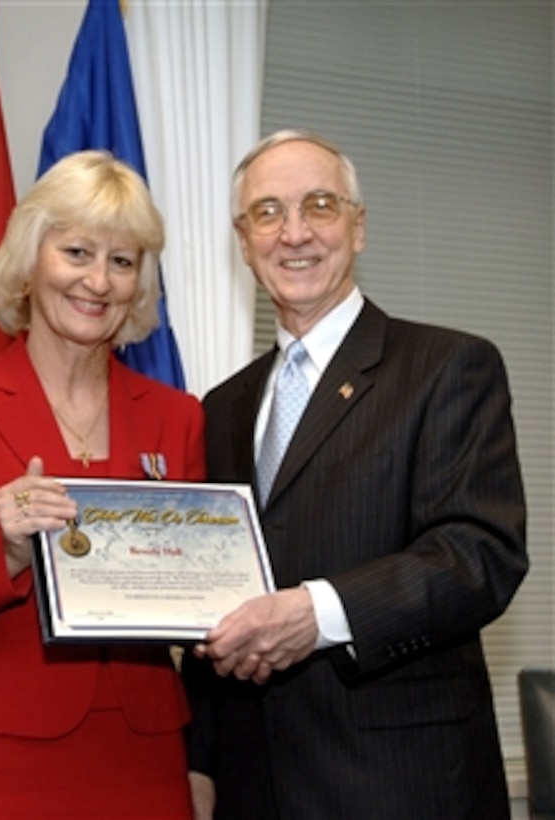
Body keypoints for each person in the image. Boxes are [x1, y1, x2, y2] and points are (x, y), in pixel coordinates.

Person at [182, 129, 528, 819]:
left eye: (318, 204)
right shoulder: (220, 407)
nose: (294, 233)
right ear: (242, 239)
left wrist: (313, 614)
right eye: (267, 213)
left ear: (358, 226)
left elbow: (477, 556)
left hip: (399, 785)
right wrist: (199, 762)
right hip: (252, 788)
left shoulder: (447, 367)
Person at [0, 150, 204, 819]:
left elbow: (195, 590)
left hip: (144, 757)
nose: (98, 281)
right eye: (77, 251)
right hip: (0, 757)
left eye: (122, 260)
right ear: (30, 260)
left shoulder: (179, 416)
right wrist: (2, 553)